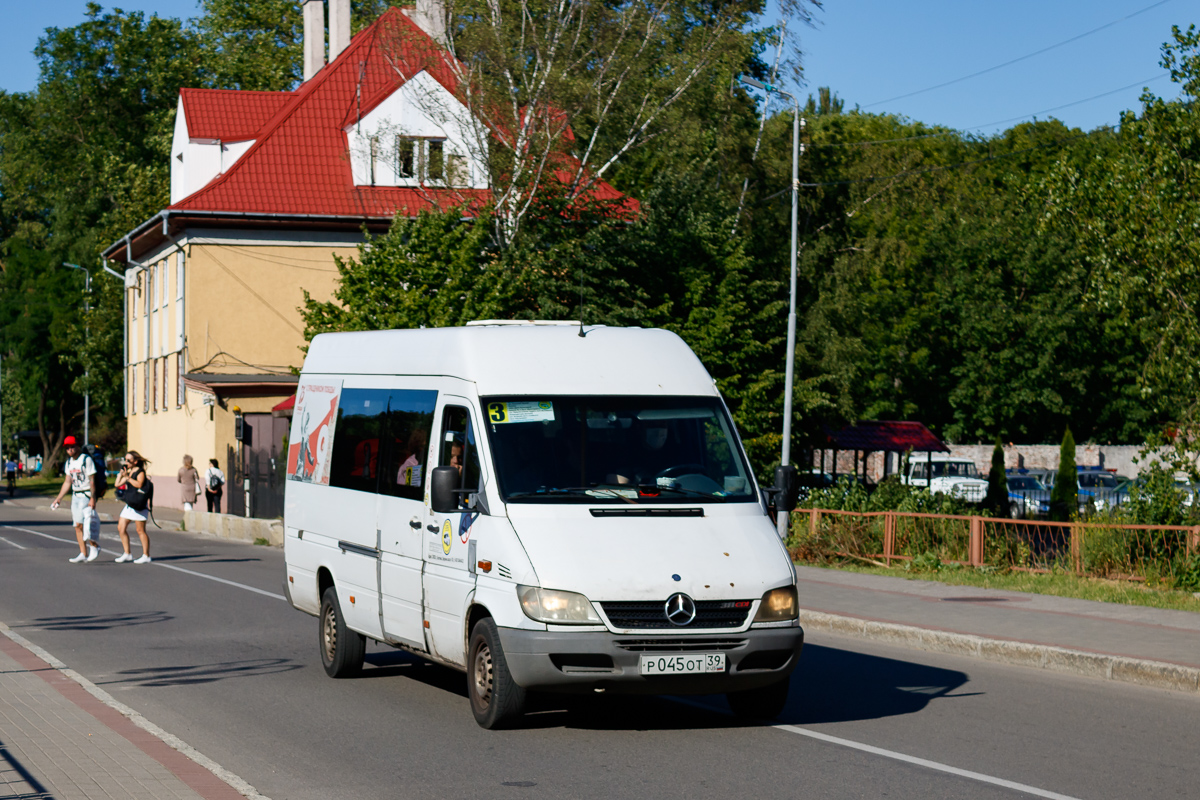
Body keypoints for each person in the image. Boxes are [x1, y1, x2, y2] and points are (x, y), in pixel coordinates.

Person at [50, 436, 100, 563]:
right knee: (77, 526)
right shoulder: (69, 463)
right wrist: (59, 498)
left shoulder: (86, 460)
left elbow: (92, 480)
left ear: (77, 446)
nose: (70, 450)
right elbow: (68, 481)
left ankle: (94, 546)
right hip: (75, 495)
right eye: (67, 448)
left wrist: (93, 498)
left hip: (86, 494)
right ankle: (83, 552)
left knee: (85, 523)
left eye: (72, 447)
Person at [114, 451, 152, 564]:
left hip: (139, 504)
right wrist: (121, 475)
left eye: (128, 460)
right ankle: (127, 554)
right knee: (121, 528)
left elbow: (139, 484)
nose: (126, 462)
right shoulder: (128, 472)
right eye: (125, 460)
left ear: (135, 461)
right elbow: (117, 484)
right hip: (129, 505)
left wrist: (128, 478)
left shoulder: (140, 472)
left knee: (140, 530)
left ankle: (146, 555)